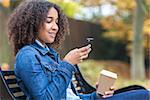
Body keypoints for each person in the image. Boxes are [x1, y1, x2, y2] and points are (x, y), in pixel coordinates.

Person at [8, 0, 150, 100]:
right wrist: (68, 64)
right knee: (144, 96)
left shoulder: (50, 55)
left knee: (142, 93)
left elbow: (73, 97)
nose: (55, 27)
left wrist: (97, 96)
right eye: (48, 21)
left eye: (57, 22)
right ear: (32, 23)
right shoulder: (27, 56)